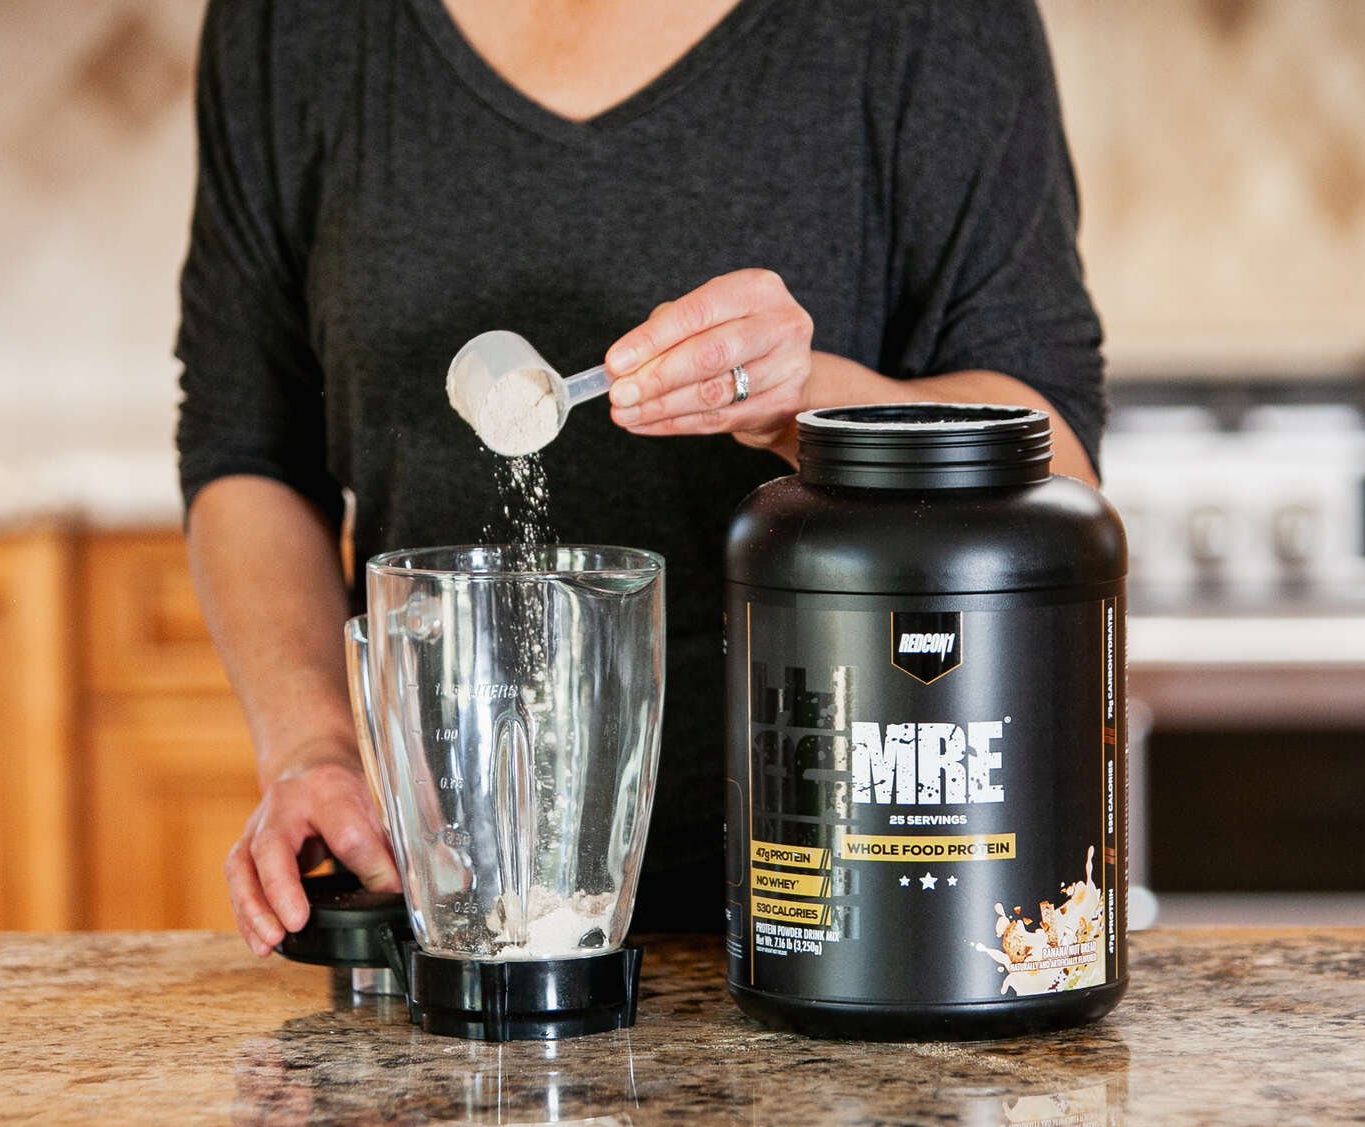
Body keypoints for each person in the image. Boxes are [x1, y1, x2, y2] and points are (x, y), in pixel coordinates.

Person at [176, 0, 1105, 958]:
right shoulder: (291, 25)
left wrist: (805, 408)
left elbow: (1060, 467)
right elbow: (247, 451)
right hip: (450, 923)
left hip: (866, 918)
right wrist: (312, 749)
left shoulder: (929, 23)